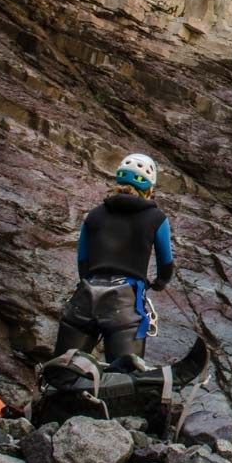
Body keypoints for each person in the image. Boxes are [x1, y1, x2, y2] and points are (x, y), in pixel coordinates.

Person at [52, 153, 175, 366]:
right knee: (123, 383)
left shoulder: (94, 215)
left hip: (85, 298)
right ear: (149, 188)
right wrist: (159, 283)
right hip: (125, 305)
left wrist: (90, 282)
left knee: (62, 371)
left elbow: (83, 260)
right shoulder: (157, 218)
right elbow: (166, 262)